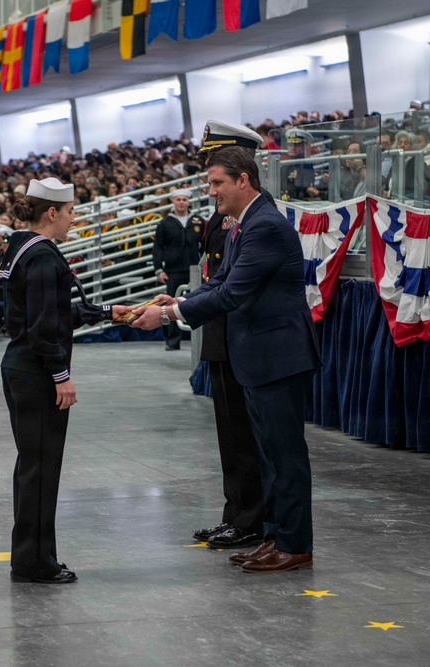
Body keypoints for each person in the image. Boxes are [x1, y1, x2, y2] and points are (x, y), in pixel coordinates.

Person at [131, 146, 321, 572]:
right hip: (258, 357)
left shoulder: (264, 225)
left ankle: (295, 545)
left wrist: (166, 315)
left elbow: (234, 293)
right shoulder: (246, 222)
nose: (211, 191)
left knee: (285, 457)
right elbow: (221, 280)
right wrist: (180, 298)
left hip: (278, 358)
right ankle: (275, 537)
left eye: (217, 183)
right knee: (269, 457)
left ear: (243, 180)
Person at [0, 177, 121, 584]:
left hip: (19, 365)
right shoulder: (46, 257)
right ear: (51, 212)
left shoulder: (21, 247)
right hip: (36, 371)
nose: (73, 220)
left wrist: (107, 312)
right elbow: (43, 328)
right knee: (41, 467)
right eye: (69, 212)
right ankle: (35, 563)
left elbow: (52, 312)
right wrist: (61, 376)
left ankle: (31, 557)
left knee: (32, 466)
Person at [183, 120, 269, 550]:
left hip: (237, 333)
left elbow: (231, 286)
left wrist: (177, 311)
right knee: (228, 434)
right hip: (221, 332)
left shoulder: (254, 220)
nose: (210, 180)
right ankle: (235, 512)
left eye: (217, 172)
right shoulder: (227, 219)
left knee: (243, 436)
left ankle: (250, 517)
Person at [152, 188, 203, 350]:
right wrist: (159, 269)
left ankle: (201, 340)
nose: (181, 202)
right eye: (178, 199)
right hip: (173, 271)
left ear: (189, 202)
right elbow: (158, 248)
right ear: (173, 201)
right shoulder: (165, 223)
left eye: (184, 199)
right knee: (170, 306)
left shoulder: (198, 221)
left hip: (195, 270)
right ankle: (172, 341)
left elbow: (205, 246)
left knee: (199, 304)